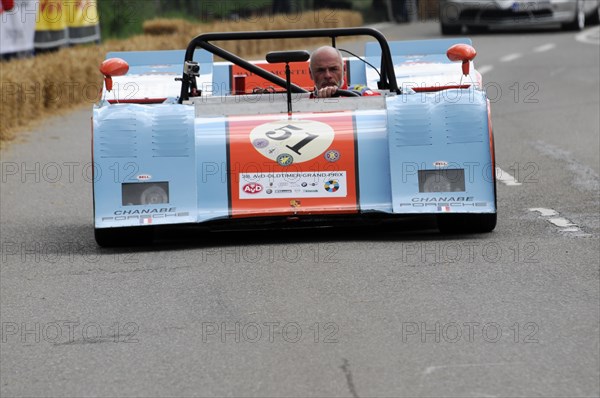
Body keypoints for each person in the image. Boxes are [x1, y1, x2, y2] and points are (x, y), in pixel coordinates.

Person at [309, 46, 379, 98]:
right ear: (310, 73)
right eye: (320, 70)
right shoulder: (302, 98)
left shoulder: (361, 93)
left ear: (344, 69)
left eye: (333, 69)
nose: (328, 75)